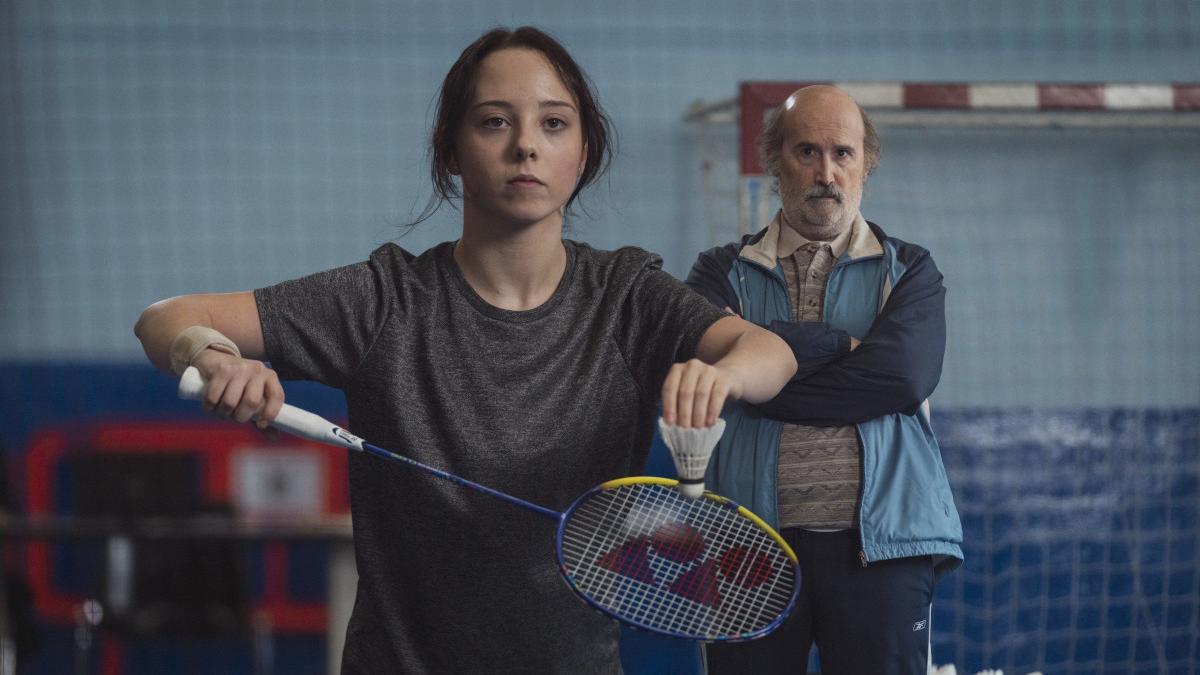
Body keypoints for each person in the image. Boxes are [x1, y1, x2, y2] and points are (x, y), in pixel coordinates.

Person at [134, 27, 796, 674]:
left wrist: (727, 373)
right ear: (450, 148)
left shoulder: (627, 298)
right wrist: (216, 356)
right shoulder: (384, 300)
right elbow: (167, 319)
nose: (526, 147)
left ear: (585, 152)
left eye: (554, 124)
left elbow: (768, 352)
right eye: (494, 122)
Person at [687, 85, 962, 675]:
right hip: (748, 546)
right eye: (806, 151)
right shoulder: (719, 272)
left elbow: (900, 378)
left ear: (868, 163)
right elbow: (710, 368)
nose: (826, 171)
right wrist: (837, 344)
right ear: (774, 161)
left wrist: (760, 378)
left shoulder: (909, 268)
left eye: (843, 153)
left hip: (883, 549)